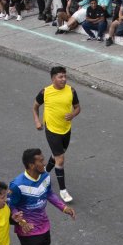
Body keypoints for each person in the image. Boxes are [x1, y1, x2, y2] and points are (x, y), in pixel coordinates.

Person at [33, 66, 80, 202]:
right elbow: (35, 106)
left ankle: (44, 173)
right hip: (52, 130)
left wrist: (73, 114)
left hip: (66, 129)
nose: (64, 79)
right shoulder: (45, 92)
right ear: (53, 78)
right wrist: (37, 120)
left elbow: (77, 107)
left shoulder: (71, 91)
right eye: (60, 77)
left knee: (56, 154)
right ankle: (63, 191)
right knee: (60, 159)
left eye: (65, 76)